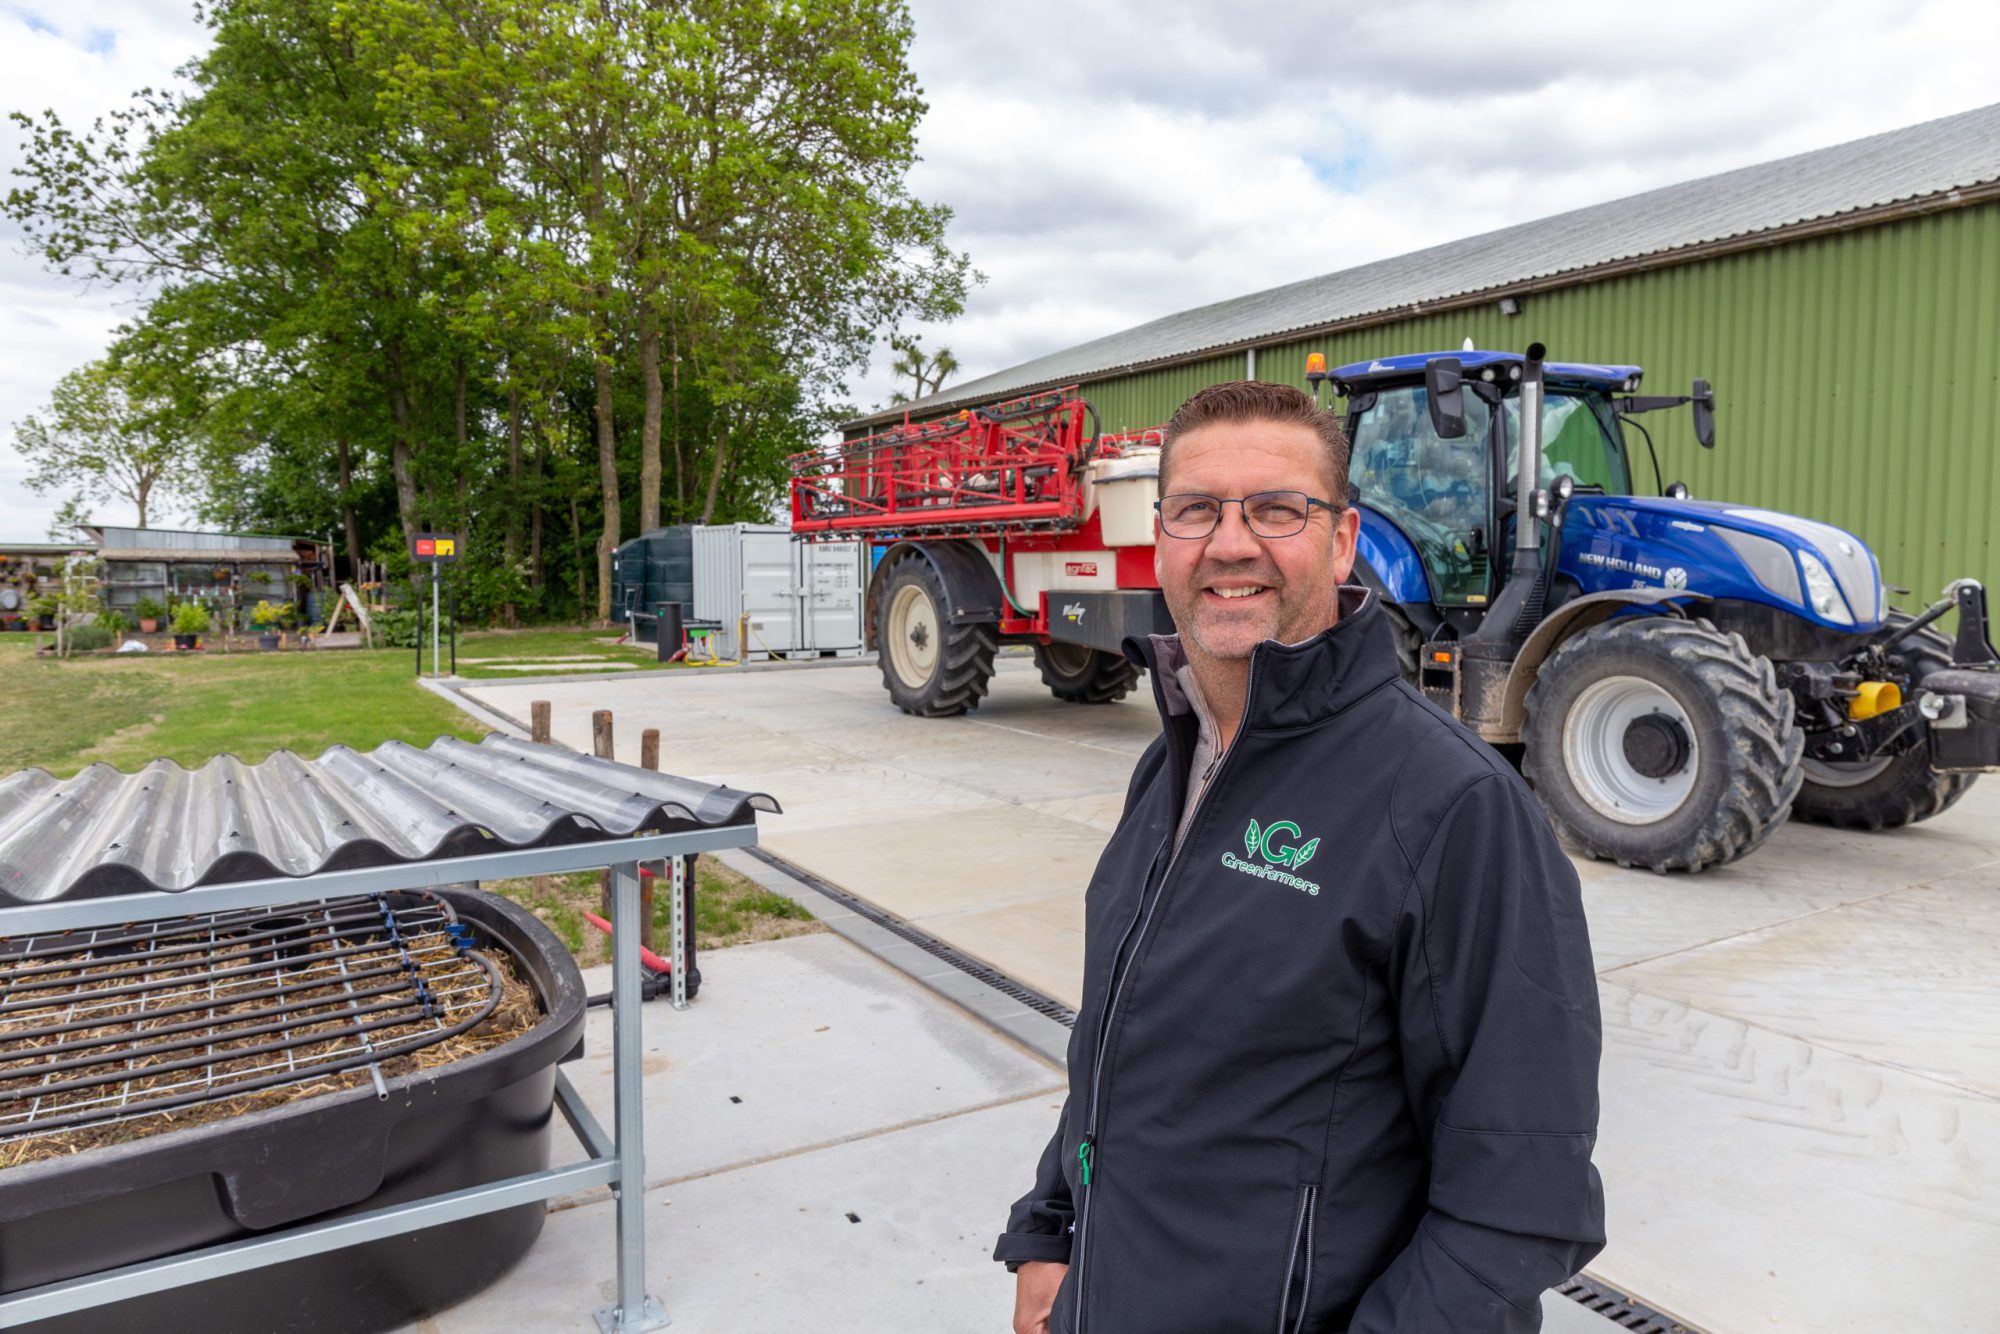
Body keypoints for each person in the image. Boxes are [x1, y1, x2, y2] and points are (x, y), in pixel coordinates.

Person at [995, 381, 1604, 1333]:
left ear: (1342, 539)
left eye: (1278, 509)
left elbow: (1519, 1198)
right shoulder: (1174, 761)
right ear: (1160, 537)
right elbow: (1117, 1044)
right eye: (1197, 509)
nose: (1230, 544)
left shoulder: (1454, 809)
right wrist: (1052, 1227)